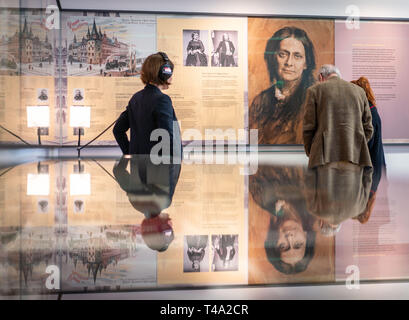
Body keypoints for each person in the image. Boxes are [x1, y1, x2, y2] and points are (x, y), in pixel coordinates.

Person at [249, 26, 316, 144]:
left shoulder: (314, 100)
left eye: (297, 56)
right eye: (283, 54)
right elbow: (252, 143)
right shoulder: (260, 101)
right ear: (273, 58)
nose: (289, 63)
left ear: (306, 63)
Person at [303, 65, 373, 169]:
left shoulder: (314, 91)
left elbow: (308, 128)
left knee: (324, 185)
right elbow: (368, 128)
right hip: (355, 157)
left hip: (323, 158)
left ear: (321, 77)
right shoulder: (360, 92)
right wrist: (357, 145)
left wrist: (312, 152)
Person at [249, 165, 316, 274]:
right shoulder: (315, 201)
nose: (289, 238)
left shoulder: (262, 198)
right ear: (307, 236)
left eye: (283, 246)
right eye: (298, 244)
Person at [113, 52, 181, 158]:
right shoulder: (162, 100)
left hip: (137, 170)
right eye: (170, 73)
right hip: (159, 170)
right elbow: (168, 138)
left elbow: (118, 130)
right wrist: (176, 164)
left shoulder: (135, 98)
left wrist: (130, 154)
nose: (172, 77)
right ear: (164, 73)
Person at [112, 155, 181, 252]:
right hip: (138, 146)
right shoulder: (136, 203)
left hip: (163, 147)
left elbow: (173, 164)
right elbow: (118, 171)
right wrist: (128, 153)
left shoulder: (165, 201)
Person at [304, 161, 372, 236]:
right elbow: (310, 175)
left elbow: (368, 174)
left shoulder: (358, 209)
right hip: (325, 157)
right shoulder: (314, 208)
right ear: (321, 224)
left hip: (355, 157)